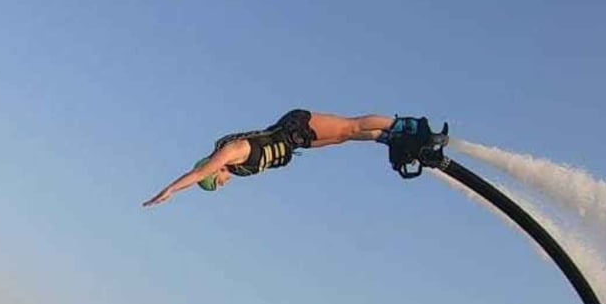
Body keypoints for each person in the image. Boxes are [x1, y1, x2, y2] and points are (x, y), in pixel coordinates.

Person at [142, 110, 429, 206]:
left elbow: (198, 174)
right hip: (296, 142)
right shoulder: (238, 167)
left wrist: (171, 190)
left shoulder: (233, 152)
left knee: (349, 126)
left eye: (218, 182)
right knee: (346, 137)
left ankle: (405, 125)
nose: (225, 183)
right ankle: (390, 139)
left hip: (295, 126)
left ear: (213, 171)